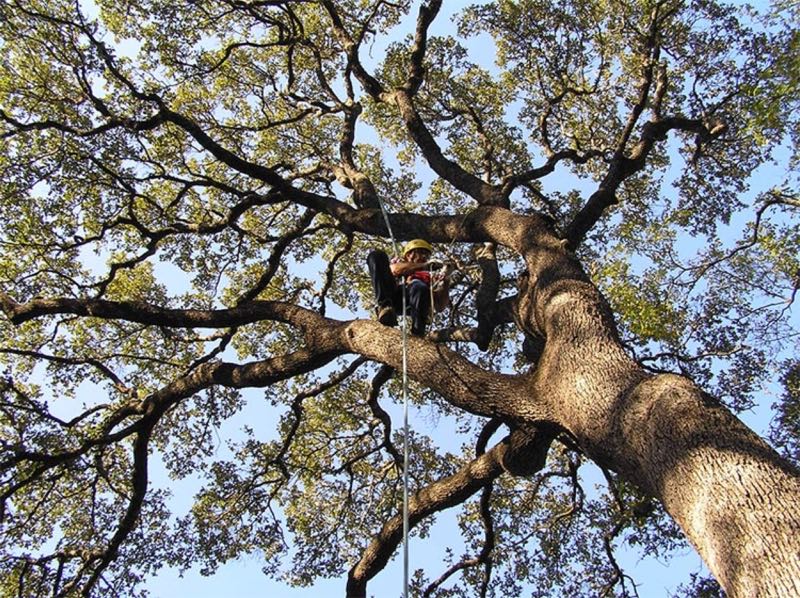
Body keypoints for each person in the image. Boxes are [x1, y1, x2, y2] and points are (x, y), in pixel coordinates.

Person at [367, 239, 451, 336]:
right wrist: (424, 266)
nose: (425, 257)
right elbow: (394, 270)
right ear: (408, 255)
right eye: (421, 253)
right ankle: (385, 307)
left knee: (418, 285)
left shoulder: (431, 277)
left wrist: (446, 280)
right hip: (394, 295)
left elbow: (440, 306)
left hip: (417, 300)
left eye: (427, 255)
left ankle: (418, 330)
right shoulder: (400, 263)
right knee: (377, 255)